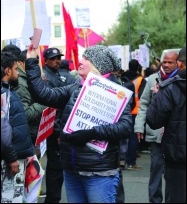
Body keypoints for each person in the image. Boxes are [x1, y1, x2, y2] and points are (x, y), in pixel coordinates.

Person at [25, 44, 133, 203]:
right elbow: (43, 95)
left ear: (98, 65)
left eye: (86, 58)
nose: (80, 61)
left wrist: (92, 133)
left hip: (99, 173)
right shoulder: (76, 87)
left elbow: (125, 127)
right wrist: (32, 62)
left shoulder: (116, 92)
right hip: (72, 171)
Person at [134, 50, 179, 203]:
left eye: (170, 62)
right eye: (164, 62)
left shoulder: (180, 81)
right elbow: (143, 104)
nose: (166, 65)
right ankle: (155, 200)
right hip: (156, 135)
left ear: (178, 63)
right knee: (156, 170)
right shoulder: (152, 79)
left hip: (174, 137)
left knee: (173, 173)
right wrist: (139, 126)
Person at [146, 47, 186, 203]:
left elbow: (154, 120)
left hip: (177, 158)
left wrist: (156, 98)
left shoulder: (169, 88)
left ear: (180, 64)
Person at [42, 47, 76, 203]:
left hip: (57, 127)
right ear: (46, 60)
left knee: (57, 168)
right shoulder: (45, 77)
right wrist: (57, 132)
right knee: (55, 169)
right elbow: (51, 109)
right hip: (53, 130)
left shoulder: (57, 75)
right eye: (54, 58)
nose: (58, 60)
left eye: (59, 57)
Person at [1, 52, 34, 201]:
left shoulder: (8, 90)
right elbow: (3, 129)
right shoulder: (3, 94)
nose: (17, 73)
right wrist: (12, 158)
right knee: (10, 198)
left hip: (13, 158)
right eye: (15, 69)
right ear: (7, 71)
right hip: (9, 162)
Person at [14, 50, 47, 149]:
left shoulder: (29, 79)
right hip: (27, 134)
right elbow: (25, 114)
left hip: (33, 132)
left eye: (35, 63)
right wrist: (42, 102)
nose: (33, 66)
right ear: (20, 63)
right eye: (29, 63)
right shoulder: (21, 83)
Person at [121, 60, 147, 170]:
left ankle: (122, 159)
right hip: (136, 111)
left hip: (123, 110)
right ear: (138, 68)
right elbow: (143, 96)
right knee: (134, 136)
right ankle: (131, 162)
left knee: (122, 137)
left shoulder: (121, 77)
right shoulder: (141, 79)